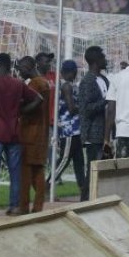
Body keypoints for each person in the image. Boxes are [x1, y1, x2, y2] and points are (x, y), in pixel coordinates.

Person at [0, 53, 42, 216]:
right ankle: (14, 206)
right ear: (11, 66)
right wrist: (21, 111)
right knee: (15, 172)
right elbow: (38, 99)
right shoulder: (18, 83)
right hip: (14, 132)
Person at [46, 60, 85, 196]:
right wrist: (84, 108)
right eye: (76, 71)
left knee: (79, 161)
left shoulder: (69, 85)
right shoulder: (66, 86)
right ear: (72, 72)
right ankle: (48, 183)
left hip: (75, 128)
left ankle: (83, 188)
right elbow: (71, 108)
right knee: (64, 158)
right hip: (69, 128)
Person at [17, 56, 51, 214]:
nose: (19, 72)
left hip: (30, 132)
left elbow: (30, 104)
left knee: (25, 171)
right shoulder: (45, 83)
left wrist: (19, 110)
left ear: (27, 66)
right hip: (42, 133)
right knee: (38, 170)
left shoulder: (34, 84)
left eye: (20, 68)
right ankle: (38, 206)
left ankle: (23, 207)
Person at [78, 46, 109, 201]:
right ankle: (84, 203)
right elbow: (86, 109)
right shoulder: (87, 81)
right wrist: (106, 101)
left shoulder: (104, 79)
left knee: (104, 173)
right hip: (93, 134)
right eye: (103, 57)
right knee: (92, 172)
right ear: (96, 61)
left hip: (105, 133)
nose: (106, 60)